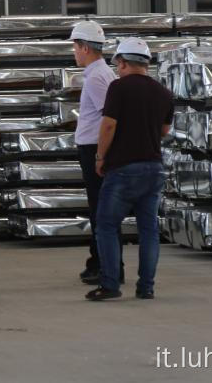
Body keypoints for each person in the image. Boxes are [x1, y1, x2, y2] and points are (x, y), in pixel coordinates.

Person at [87, 38, 173, 301]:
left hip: (123, 168)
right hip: (154, 168)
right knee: (148, 231)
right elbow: (165, 130)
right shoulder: (163, 92)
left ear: (122, 62)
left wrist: (100, 157)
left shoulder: (118, 87)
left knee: (107, 225)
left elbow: (109, 125)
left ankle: (110, 284)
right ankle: (146, 287)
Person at [69, 20, 122, 285]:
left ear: (85, 48)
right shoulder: (98, 74)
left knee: (101, 209)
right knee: (101, 208)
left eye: (75, 47)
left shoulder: (98, 77)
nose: (74, 52)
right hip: (93, 148)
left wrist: (101, 155)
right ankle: (100, 261)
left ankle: (106, 264)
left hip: (95, 150)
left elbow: (109, 118)